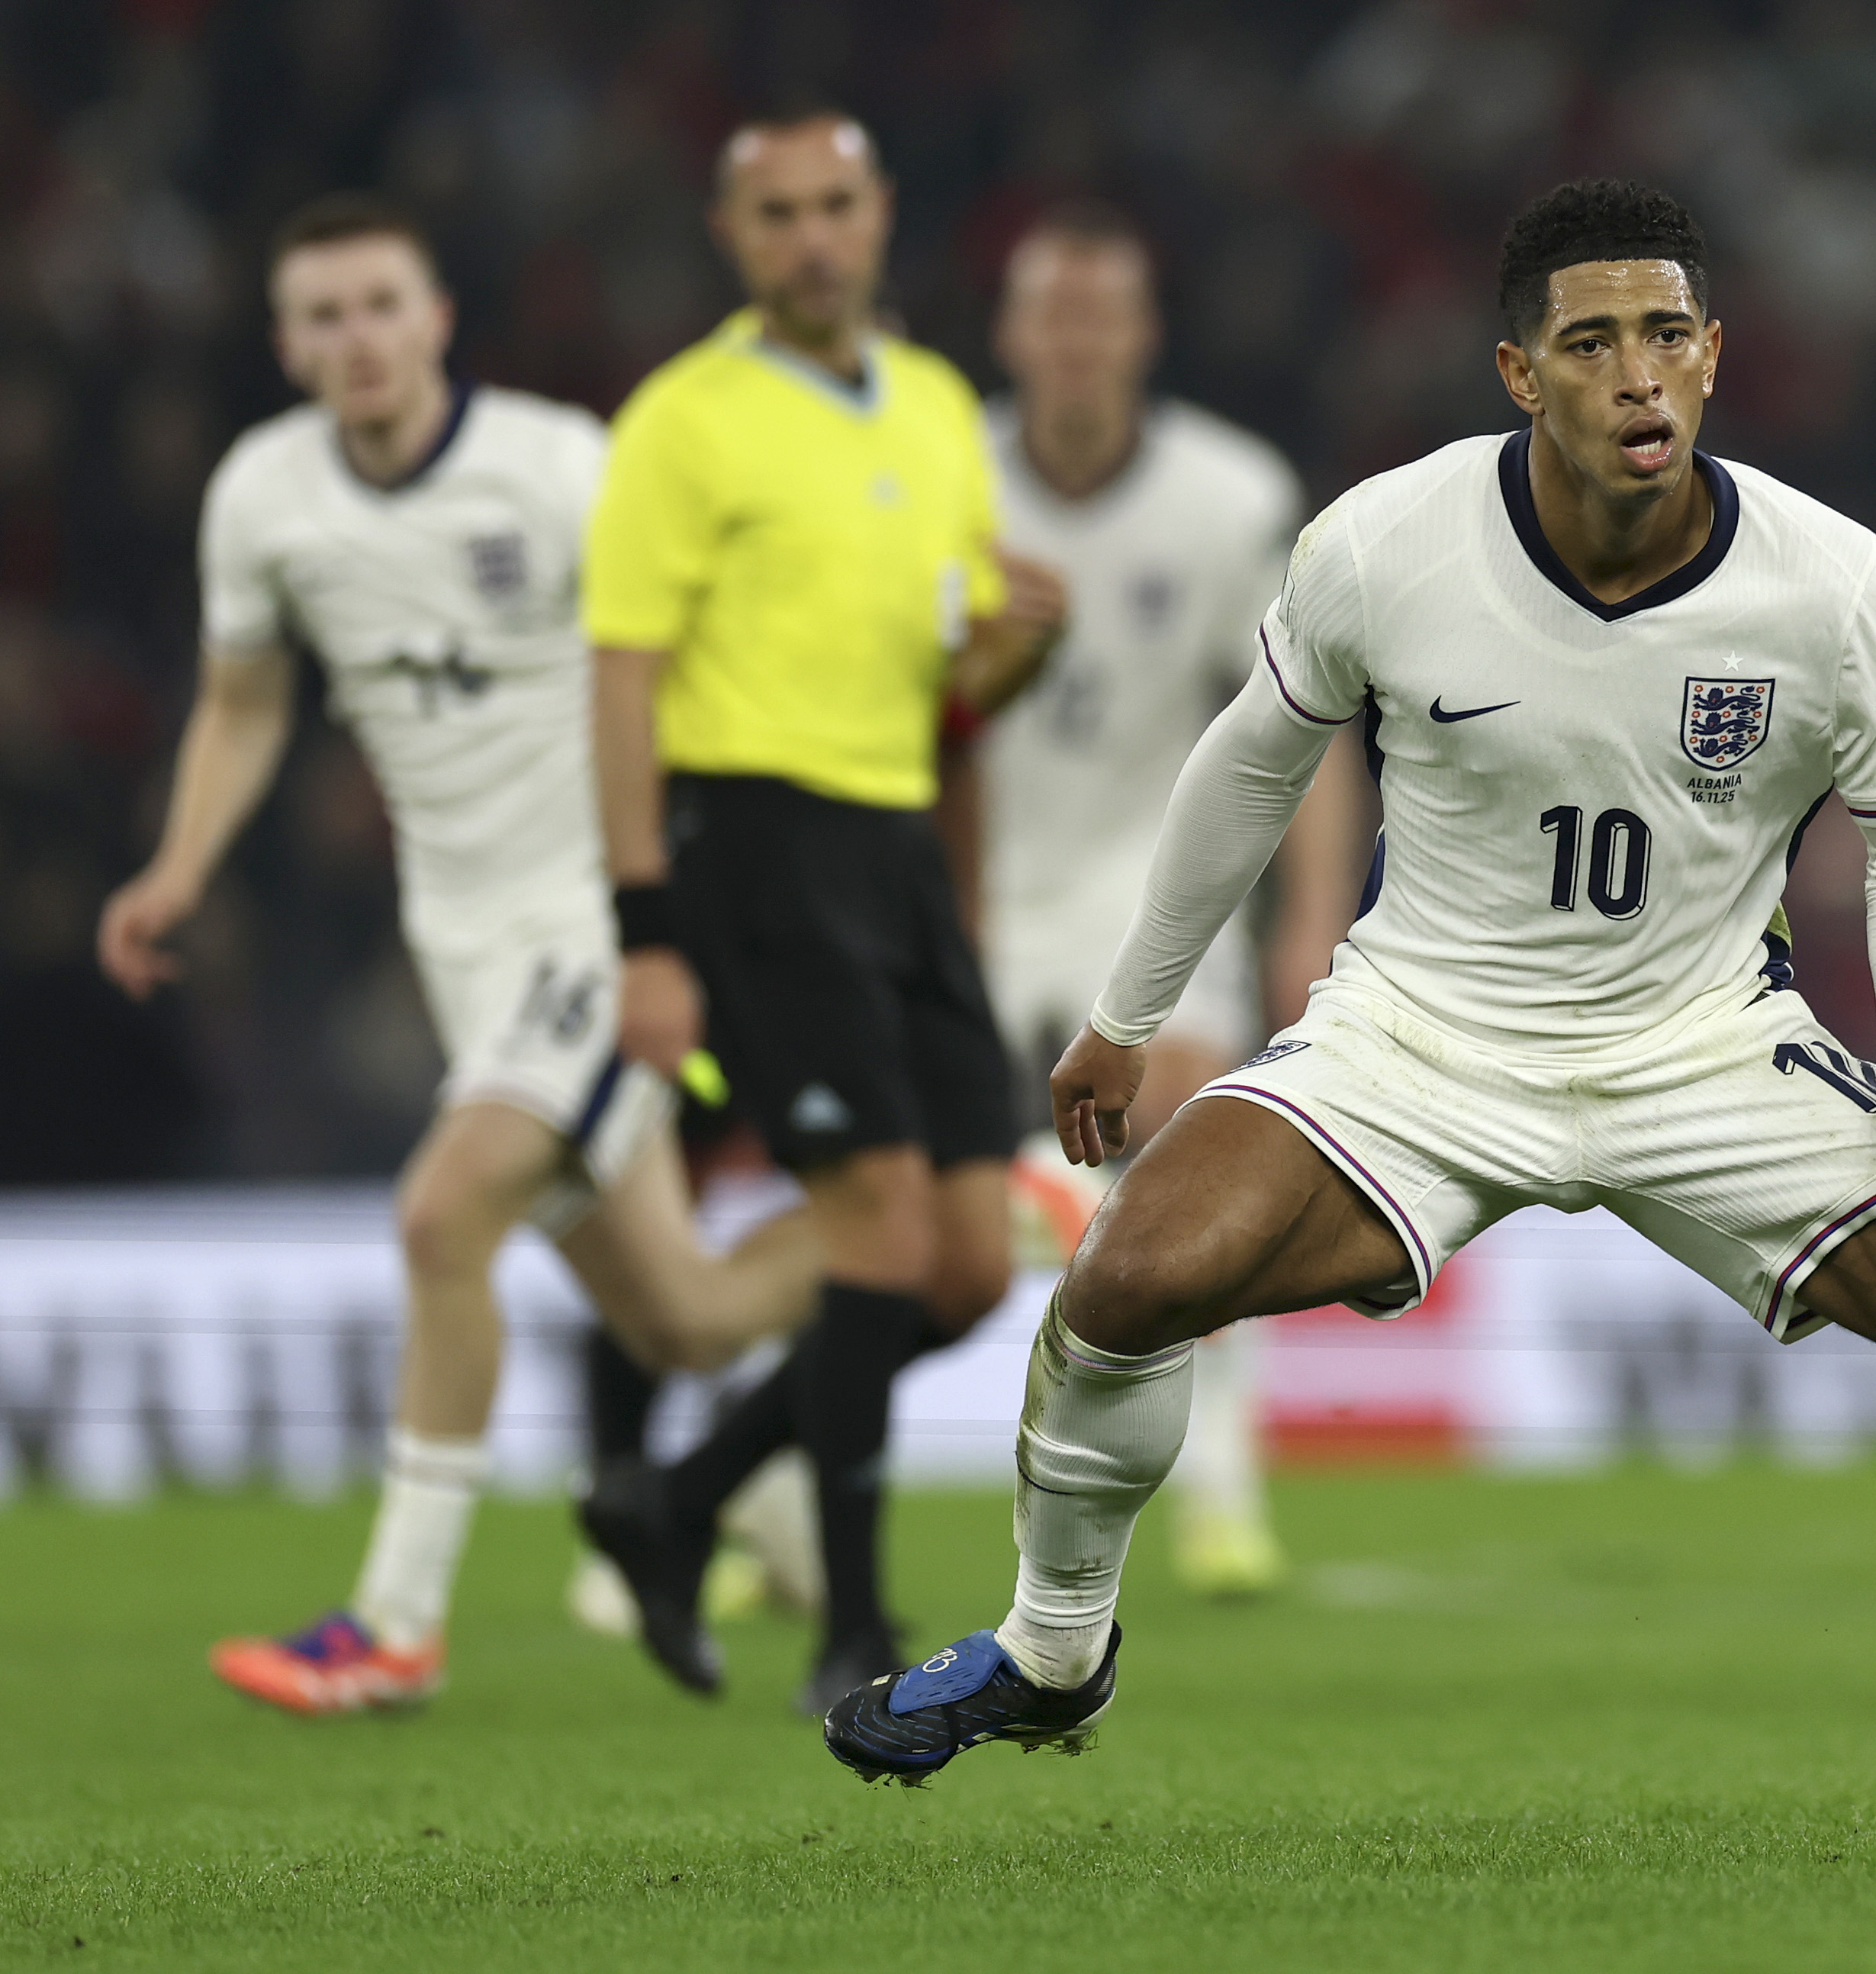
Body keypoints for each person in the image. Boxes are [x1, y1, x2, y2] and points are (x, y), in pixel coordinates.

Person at [823, 180, 1876, 1840]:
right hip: (1424, 1040)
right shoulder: (1384, 543)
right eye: (1594, 341)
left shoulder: (1827, 583)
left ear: (1715, 357)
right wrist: (1129, 1012)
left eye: (1669, 336)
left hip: (1714, 1050)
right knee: (1130, 1276)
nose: (1638, 374)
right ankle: (1055, 1652)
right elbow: (1250, 766)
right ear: (1518, 374)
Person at [97, 193, 821, 1715]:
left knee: (443, 1217)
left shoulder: (559, 467)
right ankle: (964, 1227)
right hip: (467, 951)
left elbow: (698, 669)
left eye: (381, 305)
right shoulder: (265, 497)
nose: (356, 338)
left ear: (438, 319)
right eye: (323, 314)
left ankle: (394, 1626)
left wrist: (685, 909)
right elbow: (244, 702)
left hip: (597, 919)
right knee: (681, 1313)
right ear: (286, 343)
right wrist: (178, 866)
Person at [581, 109, 1067, 1715]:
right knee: (874, 1228)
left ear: (881, 217)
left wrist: (1023, 647)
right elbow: (624, 686)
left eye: (836, 207)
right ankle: (852, 1627)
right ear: (731, 235)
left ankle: (680, 1490)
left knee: (964, 1266)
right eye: (777, 211)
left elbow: (948, 682)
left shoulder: (932, 407)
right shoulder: (683, 421)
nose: (811, 237)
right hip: (753, 846)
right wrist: (646, 924)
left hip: (893, 840)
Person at [980, 203, 1362, 1596]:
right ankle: (773, 1522)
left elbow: (1307, 722)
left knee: (1187, 1144)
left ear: (1141, 335)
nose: (1076, 343)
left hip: (1149, 890)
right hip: (968, 885)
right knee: (890, 1201)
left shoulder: (1226, 494)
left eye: (1103, 316)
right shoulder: (938, 479)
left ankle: (1223, 1501)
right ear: (1013, 332)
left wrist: (1308, 924)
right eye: (1051, 315)